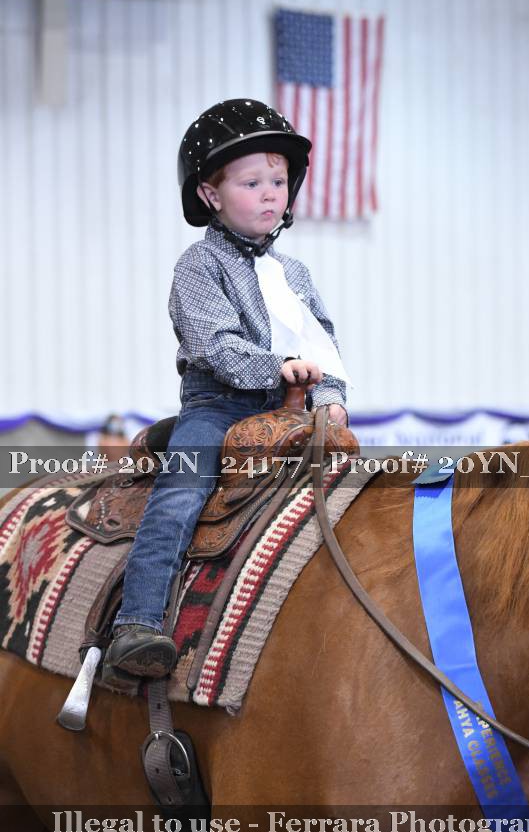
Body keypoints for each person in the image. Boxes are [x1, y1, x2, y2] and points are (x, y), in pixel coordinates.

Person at [103, 98, 350, 681]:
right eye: (251, 182)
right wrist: (281, 368)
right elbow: (215, 346)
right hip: (218, 406)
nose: (270, 194)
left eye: (278, 182)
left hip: (292, 409)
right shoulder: (199, 264)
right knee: (181, 494)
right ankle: (137, 623)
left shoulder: (294, 274)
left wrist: (330, 395)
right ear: (210, 195)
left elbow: (322, 341)